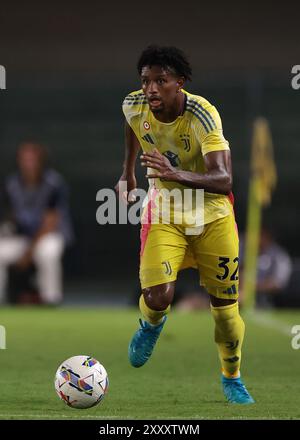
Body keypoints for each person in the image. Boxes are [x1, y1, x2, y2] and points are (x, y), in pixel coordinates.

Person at [115, 45, 254, 404]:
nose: (151, 89)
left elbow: (224, 180)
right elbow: (133, 127)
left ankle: (232, 376)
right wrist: (128, 171)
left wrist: (174, 172)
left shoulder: (203, 115)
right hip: (165, 213)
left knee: (225, 313)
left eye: (161, 81)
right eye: (146, 81)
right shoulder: (134, 105)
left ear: (180, 82)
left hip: (213, 217)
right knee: (157, 297)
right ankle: (151, 325)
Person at [0, 141, 73, 305]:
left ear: (41, 162)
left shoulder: (54, 183)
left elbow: (50, 222)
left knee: (48, 253)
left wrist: (29, 252)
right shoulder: (11, 184)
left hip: (49, 235)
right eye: (24, 159)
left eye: (32, 160)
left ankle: (51, 300)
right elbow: (9, 216)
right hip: (22, 237)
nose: (28, 164)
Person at [239, 229, 292, 308]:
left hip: (264, 297)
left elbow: (278, 283)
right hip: (240, 291)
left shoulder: (278, 255)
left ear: (266, 236)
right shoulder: (244, 250)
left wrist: (252, 287)